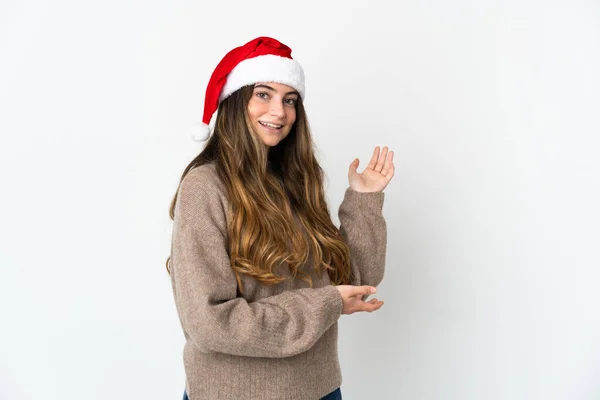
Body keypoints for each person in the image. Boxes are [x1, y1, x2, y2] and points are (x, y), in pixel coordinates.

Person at [166, 36, 395, 400]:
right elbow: (209, 324)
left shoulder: (295, 181)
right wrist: (325, 303)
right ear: (235, 99)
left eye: (290, 100)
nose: (279, 112)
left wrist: (364, 200)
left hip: (319, 390)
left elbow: (353, 282)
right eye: (263, 94)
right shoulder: (205, 187)